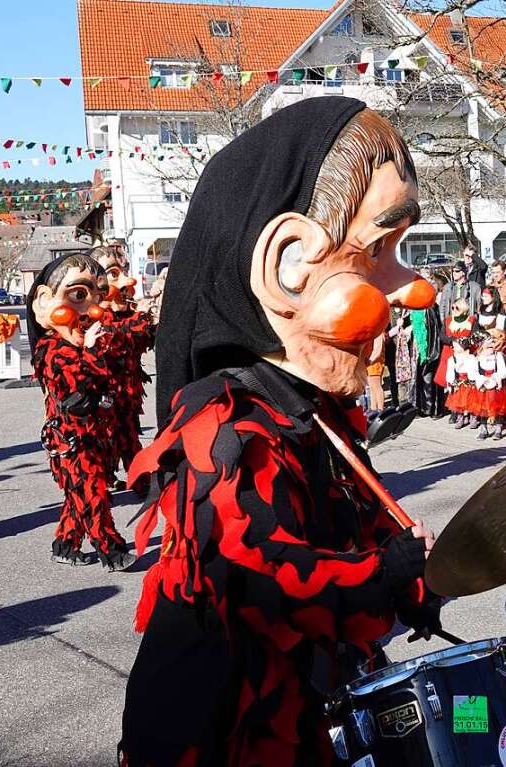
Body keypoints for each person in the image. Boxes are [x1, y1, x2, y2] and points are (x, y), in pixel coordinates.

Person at [119, 98, 442, 764]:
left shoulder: (313, 410)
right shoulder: (227, 426)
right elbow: (263, 578)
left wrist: (413, 574)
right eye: (377, 248)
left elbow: (349, 522)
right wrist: (380, 575)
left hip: (305, 701)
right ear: (286, 263)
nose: (414, 288)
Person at [26, 252, 135, 571]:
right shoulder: (54, 352)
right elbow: (79, 394)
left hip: (93, 437)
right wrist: (90, 351)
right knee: (92, 493)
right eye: (78, 295)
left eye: (98, 297)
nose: (94, 309)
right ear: (43, 302)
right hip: (70, 442)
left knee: (79, 496)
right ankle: (111, 550)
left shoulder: (83, 345)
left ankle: (65, 544)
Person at [91, 246, 157, 489]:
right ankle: (106, 475)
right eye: (114, 274)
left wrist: (153, 321)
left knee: (128, 433)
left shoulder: (128, 312)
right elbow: (113, 338)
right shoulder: (92, 316)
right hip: (102, 390)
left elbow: (142, 340)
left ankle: (137, 476)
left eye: (125, 271)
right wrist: (139, 319)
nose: (126, 280)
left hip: (129, 389)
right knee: (103, 436)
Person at [434, 297, 476, 403]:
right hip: (449, 354)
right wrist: (453, 341)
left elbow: (474, 337)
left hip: (465, 356)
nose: (453, 310)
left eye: (457, 308)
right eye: (452, 308)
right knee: (450, 381)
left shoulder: (471, 321)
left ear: (464, 310)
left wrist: (463, 343)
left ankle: (464, 408)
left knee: (464, 382)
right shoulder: (448, 321)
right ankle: (452, 406)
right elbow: (442, 336)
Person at [473, 328, 506, 439]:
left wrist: (495, 378)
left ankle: (498, 428)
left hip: (496, 387)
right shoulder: (478, 358)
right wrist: (481, 379)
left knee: (498, 407)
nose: (491, 345)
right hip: (483, 388)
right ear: (481, 345)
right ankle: (483, 428)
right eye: (488, 342)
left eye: (492, 342)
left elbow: (503, 372)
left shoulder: (497, 356)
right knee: (483, 409)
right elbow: (474, 373)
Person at [446, 333, 480, 429]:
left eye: (456, 346)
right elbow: (450, 372)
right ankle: (460, 417)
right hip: (458, 383)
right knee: (458, 402)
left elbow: (474, 370)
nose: (454, 347)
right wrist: (450, 383)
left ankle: (473, 418)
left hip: (469, 382)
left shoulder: (471, 358)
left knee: (471, 401)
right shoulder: (452, 359)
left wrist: (474, 380)